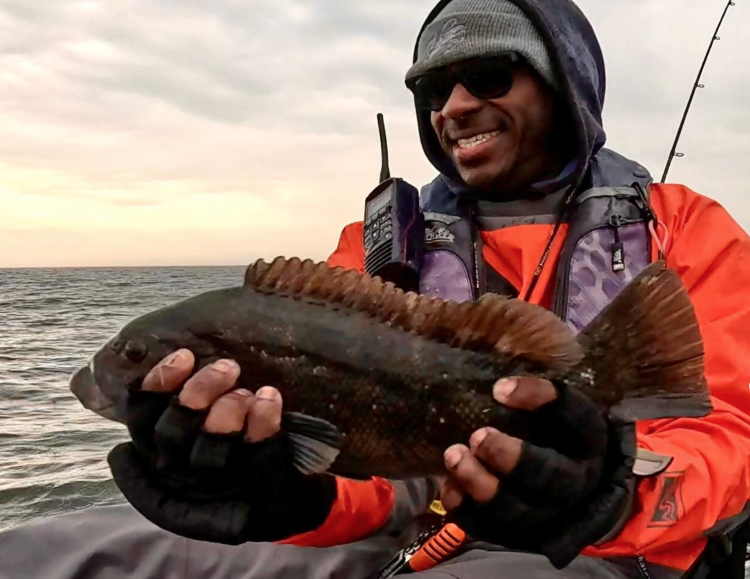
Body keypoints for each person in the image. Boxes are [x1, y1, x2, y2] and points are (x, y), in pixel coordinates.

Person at [2, 1, 749, 578]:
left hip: (604, 550)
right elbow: (371, 476)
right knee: (42, 556)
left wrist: (608, 495)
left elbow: (733, 438)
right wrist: (281, 493)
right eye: (434, 88)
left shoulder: (685, 227)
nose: (455, 105)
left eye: (490, 75)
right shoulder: (380, 244)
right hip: (407, 534)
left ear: (565, 85)